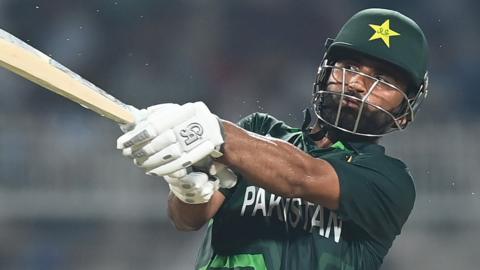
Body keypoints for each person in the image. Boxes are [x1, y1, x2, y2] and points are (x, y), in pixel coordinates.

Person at [116, 8, 429, 270]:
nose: (359, 84)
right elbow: (187, 220)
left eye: (383, 80)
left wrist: (214, 133)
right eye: (348, 67)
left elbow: (303, 177)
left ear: (404, 110)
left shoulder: (390, 182)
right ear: (325, 72)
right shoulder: (258, 131)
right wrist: (188, 191)